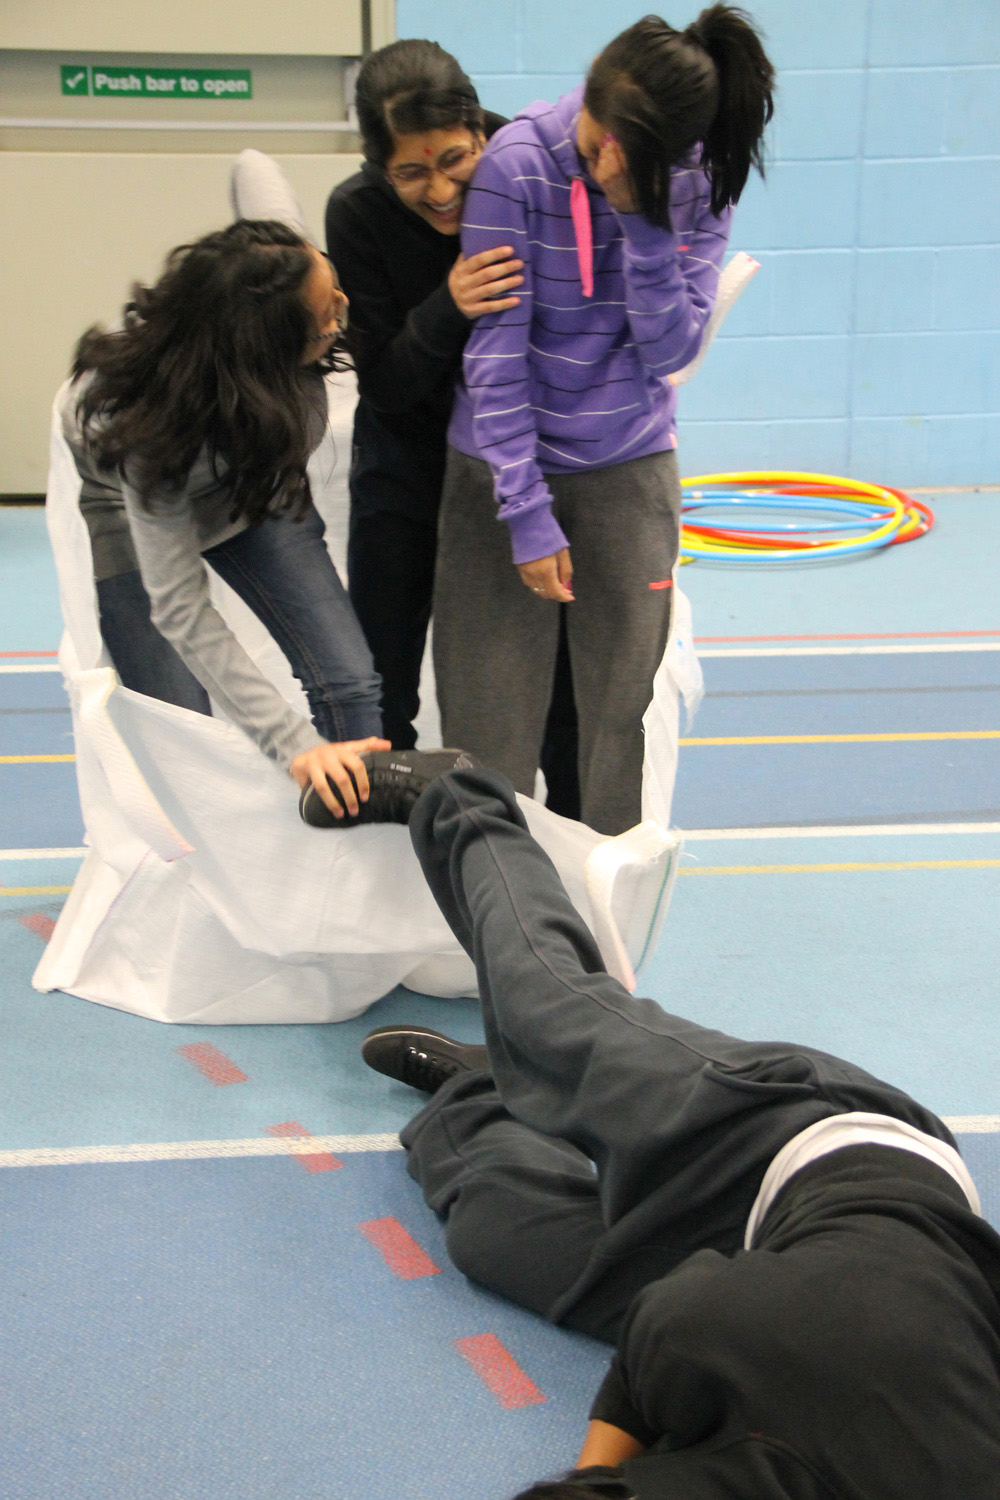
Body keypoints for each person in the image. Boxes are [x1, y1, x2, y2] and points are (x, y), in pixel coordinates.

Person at [359, 760, 1000, 1499]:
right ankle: (457, 798)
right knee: (545, 1009)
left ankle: (482, 1088)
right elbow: (668, 1326)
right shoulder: (772, 1350)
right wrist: (600, 1465)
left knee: (493, 1235)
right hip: (804, 1145)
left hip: (775, 1270)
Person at [433, 7, 776, 834]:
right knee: (490, 735)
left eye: (621, 161)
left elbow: (669, 352)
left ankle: (603, 933)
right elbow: (496, 354)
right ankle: (499, 919)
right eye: (590, 146)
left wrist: (643, 217)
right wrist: (524, 511)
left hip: (627, 467)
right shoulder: (516, 165)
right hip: (501, 465)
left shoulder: (696, 180)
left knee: (619, 724)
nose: (597, 166)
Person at [325, 40, 580, 816]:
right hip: (405, 476)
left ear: (480, 132)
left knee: (556, 695)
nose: (439, 190)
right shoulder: (358, 212)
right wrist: (450, 303)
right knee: (379, 697)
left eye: (454, 160)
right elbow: (391, 386)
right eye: (410, 172)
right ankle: (391, 871)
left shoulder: (527, 171)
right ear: (378, 166)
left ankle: (567, 860)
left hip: (515, 482)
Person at [61, 220, 389, 821]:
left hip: (250, 483)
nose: (341, 307)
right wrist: (296, 750)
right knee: (179, 724)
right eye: (326, 309)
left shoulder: (284, 286)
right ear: (269, 343)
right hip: (129, 499)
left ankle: (360, 843)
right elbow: (180, 608)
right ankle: (215, 879)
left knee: (349, 683)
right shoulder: (143, 432)